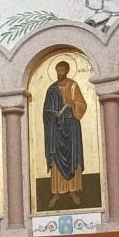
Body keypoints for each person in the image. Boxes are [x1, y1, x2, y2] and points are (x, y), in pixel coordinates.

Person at [43, 60, 86, 209]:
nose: (60, 73)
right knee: (56, 158)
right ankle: (57, 192)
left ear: (66, 71)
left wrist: (73, 104)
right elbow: (46, 111)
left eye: (62, 70)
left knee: (73, 156)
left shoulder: (73, 86)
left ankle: (73, 190)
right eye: (58, 70)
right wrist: (53, 114)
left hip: (72, 126)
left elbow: (82, 104)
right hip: (56, 129)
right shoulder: (51, 89)